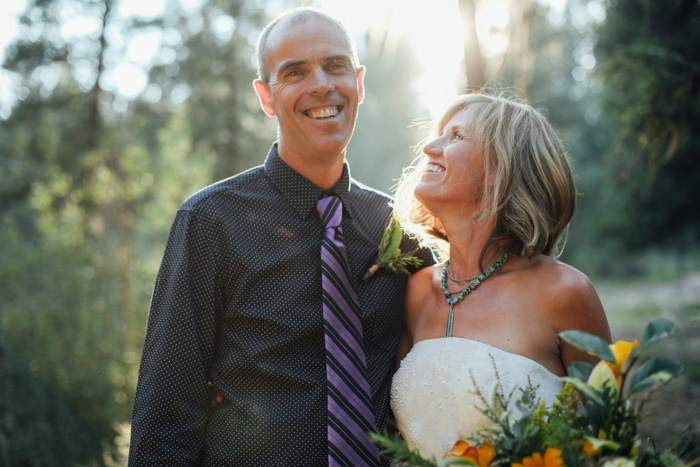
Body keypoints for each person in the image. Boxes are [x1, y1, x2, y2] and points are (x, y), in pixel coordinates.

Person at [128, 7, 433, 466]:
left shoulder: (396, 228)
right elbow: (166, 412)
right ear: (266, 97)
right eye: (294, 72)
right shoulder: (210, 221)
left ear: (359, 82)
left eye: (336, 66)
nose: (321, 85)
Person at [389, 91, 612, 465]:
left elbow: (607, 441)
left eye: (456, 136)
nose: (429, 147)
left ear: (502, 169)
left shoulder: (565, 294)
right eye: (438, 134)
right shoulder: (416, 291)